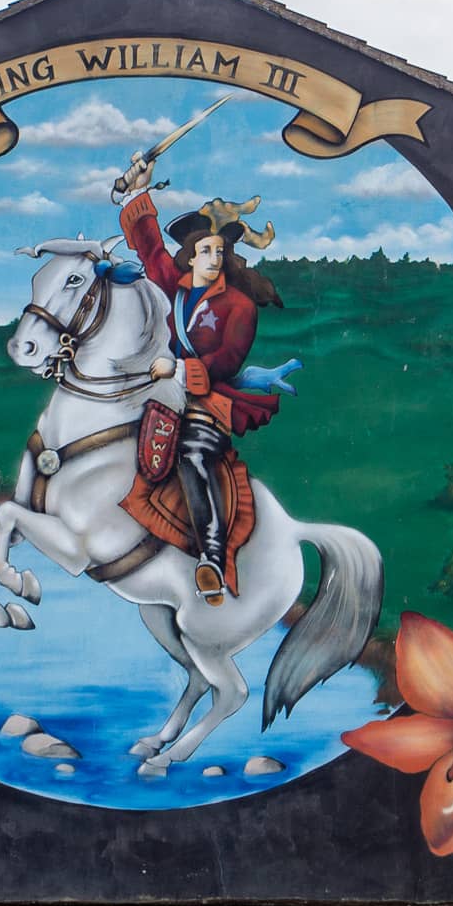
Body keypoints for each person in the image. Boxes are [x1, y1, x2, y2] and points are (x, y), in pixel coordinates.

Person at [117, 155, 283, 604]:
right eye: (204, 251)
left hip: (208, 402)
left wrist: (178, 368)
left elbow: (227, 359)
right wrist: (138, 190)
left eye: (219, 252)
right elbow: (150, 250)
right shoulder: (177, 288)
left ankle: (210, 555)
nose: (213, 258)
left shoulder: (239, 307)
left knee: (192, 455)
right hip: (159, 392)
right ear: (189, 257)